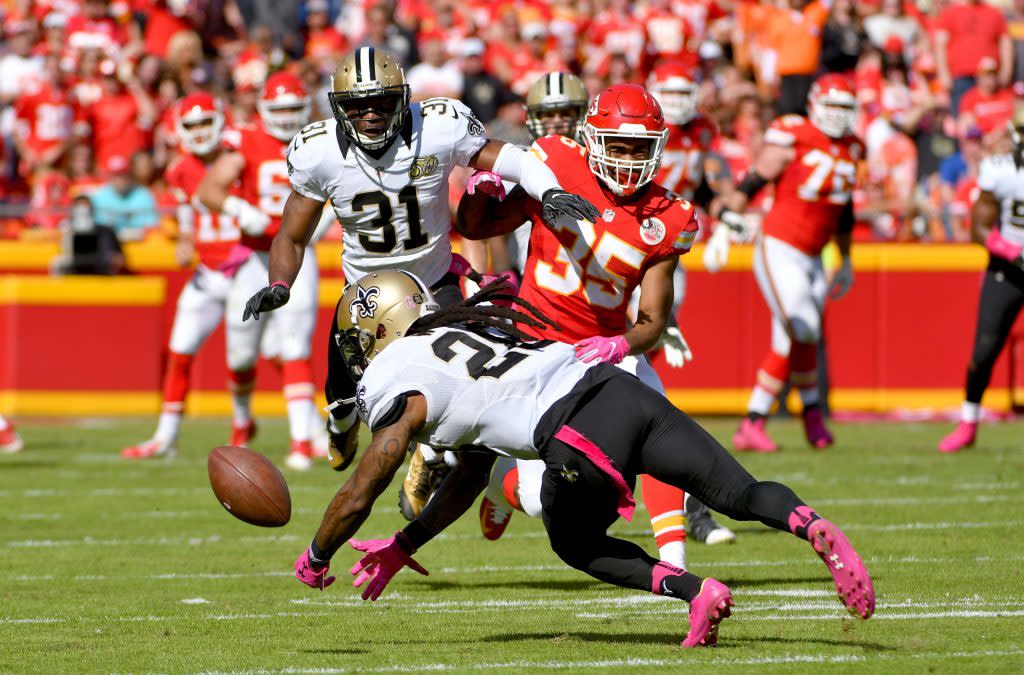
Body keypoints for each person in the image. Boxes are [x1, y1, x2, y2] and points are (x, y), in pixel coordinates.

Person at [291, 271, 876, 649]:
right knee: (737, 493)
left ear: (375, 332)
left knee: (574, 542)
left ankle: (696, 592)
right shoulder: (468, 330)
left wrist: (319, 553)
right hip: (621, 390)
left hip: (573, 432)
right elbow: (470, 471)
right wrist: (405, 544)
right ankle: (812, 524)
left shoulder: (398, 372)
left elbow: (370, 476)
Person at [238, 48, 598, 507]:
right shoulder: (320, 152)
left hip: (433, 280)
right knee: (344, 401)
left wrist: (548, 189)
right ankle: (342, 423)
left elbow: (506, 155)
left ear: (402, 99)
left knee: (450, 378)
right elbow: (292, 236)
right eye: (357, 106)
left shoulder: (437, 125)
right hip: (365, 297)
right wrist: (280, 284)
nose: (370, 115)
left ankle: (430, 452)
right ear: (338, 109)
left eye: (382, 103)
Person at [456, 83, 733, 565]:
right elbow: (478, 227)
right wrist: (482, 193)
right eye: (619, 145)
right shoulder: (556, 164)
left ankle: (676, 567)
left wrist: (624, 344)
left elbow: (650, 315)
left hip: (603, 346)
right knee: (542, 497)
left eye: (640, 148)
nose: (628, 160)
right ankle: (503, 488)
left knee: (661, 432)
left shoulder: (667, 214)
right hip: (539, 348)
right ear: (592, 138)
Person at [720, 74, 862, 452]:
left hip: (816, 255)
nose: (836, 115)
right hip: (781, 245)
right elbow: (757, 176)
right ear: (814, 104)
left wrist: (845, 259)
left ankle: (761, 420)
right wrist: (728, 218)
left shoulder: (852, 147)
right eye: (831, 105)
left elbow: (844, 211)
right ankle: (803, 415)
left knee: (794, 338)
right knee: (803, 326)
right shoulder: (793, 131)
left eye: (844, 108)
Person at [198, 71, 324, 470]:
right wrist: (238, 208)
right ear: (264, 109)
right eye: (280, 108)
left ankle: (302, 441)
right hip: (254, 256)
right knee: (241, 351)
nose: (287, 117)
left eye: (293, 108)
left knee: (295, 345)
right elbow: (209, 188)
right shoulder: (245, 141)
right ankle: (241, 421)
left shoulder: (322, 140)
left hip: (299, 253)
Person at [122, 93, 254, 459]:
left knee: (247, 358)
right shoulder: (179, 170)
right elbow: (186, 214)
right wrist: (184, 239)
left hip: (247, 267)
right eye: (191, 125)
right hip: (207, 271)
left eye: (203, 123)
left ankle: (244, 421)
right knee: (180, 352)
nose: (198, 132)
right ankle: (166, 437)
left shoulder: (241, 157)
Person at [939, 106, 1024, 452]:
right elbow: (978, 227)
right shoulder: (1000, 170)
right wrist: (1012, 251)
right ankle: (968, 421)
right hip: (1008, 269)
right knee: (985, 350)